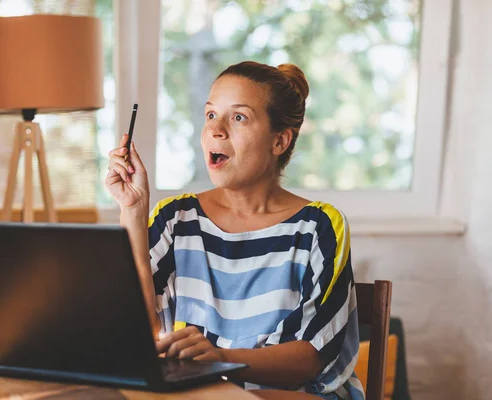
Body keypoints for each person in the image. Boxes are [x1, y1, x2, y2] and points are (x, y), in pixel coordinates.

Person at [105, 61, 364, 400]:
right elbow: (140, 329)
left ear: (280, 141)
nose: (216, 129)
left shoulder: (318, 227)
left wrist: (221, 359)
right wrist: (133, 210)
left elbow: (313, 357)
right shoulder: (176, 217)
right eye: (211, 115)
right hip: (199, 394)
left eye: (238, 117)